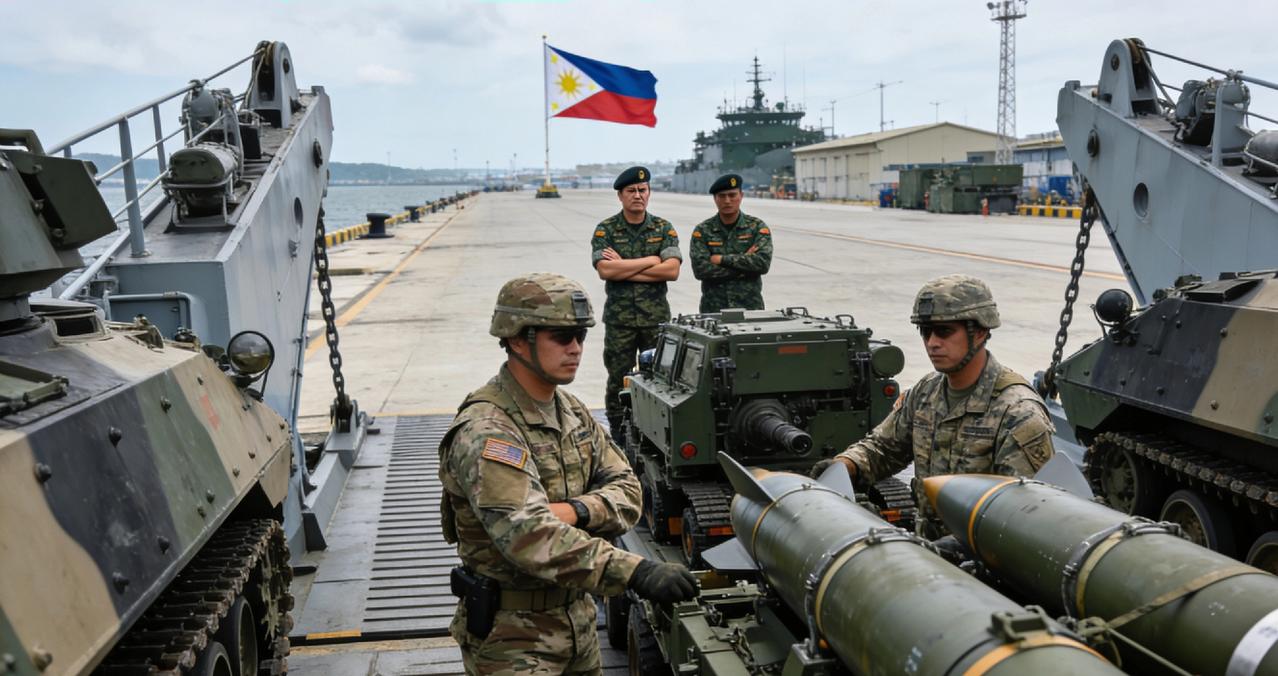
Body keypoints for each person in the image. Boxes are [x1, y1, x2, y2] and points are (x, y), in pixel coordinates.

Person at [438, 273, 698, 674]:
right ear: (517, 338)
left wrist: (575, 511)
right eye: (561, 337)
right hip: (512, 640)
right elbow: (529, 535)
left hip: (577, 621)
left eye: (580, 335)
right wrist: (635, 570)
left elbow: (629, 490)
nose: (576, 348)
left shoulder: (571, 411)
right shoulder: (488, 429)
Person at [813, 274, 1055, 540]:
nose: (932, 343)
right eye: (926, 332)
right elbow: (884, 448)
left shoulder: (1018, 413)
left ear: (981, 332)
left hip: (987, 563)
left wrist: (956, 548)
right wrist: (847, 465)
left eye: (944, 331)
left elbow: (1027, 516)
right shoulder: (926, 392)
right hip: (932, 553)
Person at [592, 166, 681, 444]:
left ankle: (658, 434)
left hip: (655, 320)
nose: (638, 195)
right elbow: (605, 271)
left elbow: (672, 271)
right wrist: (651, 260)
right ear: (620, 195)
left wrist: (624, 266)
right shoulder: (606, 229)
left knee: (660, 380)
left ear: (649, 193)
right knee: (618, 378)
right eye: (631, 191)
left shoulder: (663, 228)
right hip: (620, 321)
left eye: (643, 190)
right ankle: (619, 433)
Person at [690, 173, 774, 312]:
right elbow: (700, 270)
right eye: (722, 196)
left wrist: (721, 259)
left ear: (741, 196)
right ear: (715, 199)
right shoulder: (703, 230)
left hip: (750, 309)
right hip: (714, 310)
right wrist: (744, 266)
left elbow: (762, 264)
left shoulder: (757, 227)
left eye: (732, 195)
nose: (727, 200)